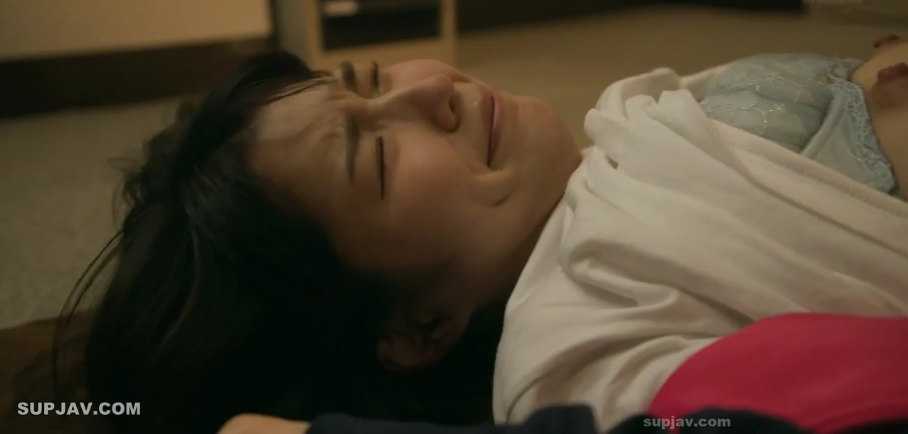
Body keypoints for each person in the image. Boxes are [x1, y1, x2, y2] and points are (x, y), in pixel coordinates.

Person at [54, 34, 908, 434]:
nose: (432, 90)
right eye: (376, 155)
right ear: (415, 331)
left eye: (372, 81)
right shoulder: (574, 339)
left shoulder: (608, 148)